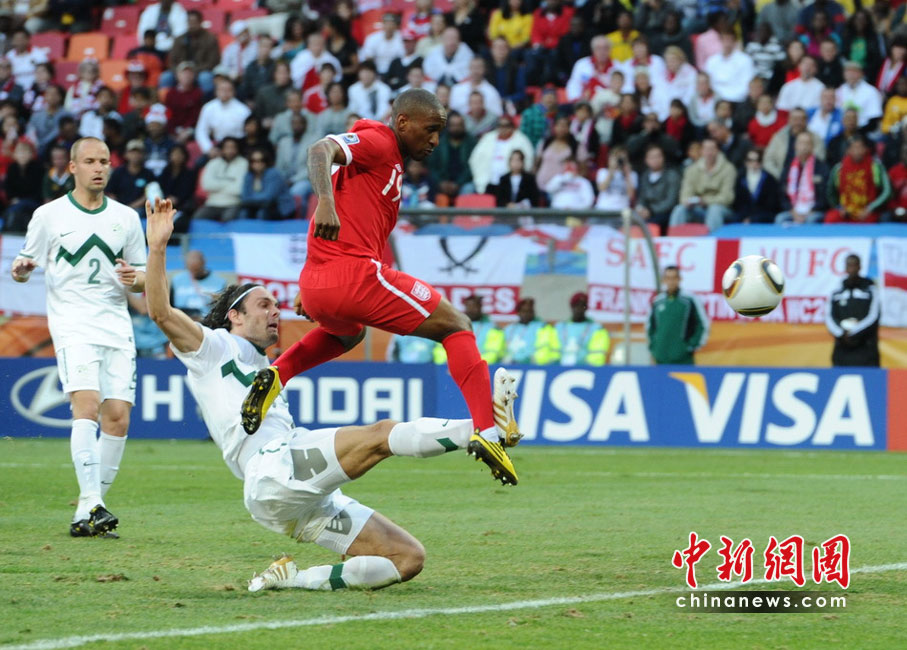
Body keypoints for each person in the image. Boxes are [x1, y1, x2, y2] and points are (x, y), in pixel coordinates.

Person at [142, 198, 500, 593]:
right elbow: (160, 312)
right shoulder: (212, 347)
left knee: (406, 558)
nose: (275, 312)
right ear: (235, 316)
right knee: (380, 435)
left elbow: (347, 334)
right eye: (264, 304)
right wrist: (157, 247)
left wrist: (325, 309)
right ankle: (483, 428)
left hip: (290, 495)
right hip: (272, 467)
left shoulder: (267, 366)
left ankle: (292, 579)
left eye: (276, 305)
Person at [239, 89, 523, 486]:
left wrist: (316, 280)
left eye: (439, 132)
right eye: (430, 129)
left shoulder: (386, 163)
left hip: (319, 279)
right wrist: (324, 202)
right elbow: (319, 150)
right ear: (403, 122)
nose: (435, 140)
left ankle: (277, 374)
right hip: (354, 275)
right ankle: (487, 432)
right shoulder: (379, 141)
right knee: (456, 325)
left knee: (349, 333)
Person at [10, 137, 147, 537]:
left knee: (118, 417)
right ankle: (94, 503)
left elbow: (143, 277)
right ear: (72, 167)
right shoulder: (49, 215)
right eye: (90, 161)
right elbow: (23, 265)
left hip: (116, 325)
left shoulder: (126, 217)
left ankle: (87, 514)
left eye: (104, 161)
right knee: (86, 405)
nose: (98, 168)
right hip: (72, 323)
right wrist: (21, 270)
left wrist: (134, 278)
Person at [669, 137, 736, 232]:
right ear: (701, 151)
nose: (709, 152)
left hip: (721, 208)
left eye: (712, 149)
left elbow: (727, 197)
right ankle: (674, 238)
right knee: (679, 209)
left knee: (714, 210)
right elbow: (684, 194)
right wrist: (689, 202)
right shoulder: (691, 169)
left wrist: (706, 201)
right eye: (706, 149)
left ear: (718, 150)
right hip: (698, 208)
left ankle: (711, 239)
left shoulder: (728, 169)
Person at [826, 254, 880, 367]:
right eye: (849, 266)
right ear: (845, 268)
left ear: (859, 267)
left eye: (854, 265)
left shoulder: (870, 289)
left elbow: (873, 316)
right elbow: (829, 317)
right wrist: (841, 333)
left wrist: (853, 332)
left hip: (866, 349)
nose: (852, 269)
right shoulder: (837, 291)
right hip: (842, 349)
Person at [648, 266, 709, 365]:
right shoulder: (657, 301)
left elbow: (702, 324)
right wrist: (654, 347)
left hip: (684, 359)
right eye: (668, 278)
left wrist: (691, 345)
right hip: (661, 359)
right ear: (664, 280)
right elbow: (650, 327)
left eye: (674, 278)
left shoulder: (689, 301)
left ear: (679, 279)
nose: (671, 282)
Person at [825, 134, 891, 223]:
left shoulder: (876, 166)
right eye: (853, 148)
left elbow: (887, 191)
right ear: (848, 151)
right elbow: (830, 193)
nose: (857, 151)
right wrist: (839, 208)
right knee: (830, 218)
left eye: (860, 147)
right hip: (846, 212)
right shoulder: (838, 169)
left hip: (868, 211)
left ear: (865, 149)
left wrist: (870, 208)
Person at [776, 132, 829, 225]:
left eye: (807, 143)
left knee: (811, 220)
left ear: (812, 146)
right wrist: (792, 211)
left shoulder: (821, 168)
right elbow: (782, 193)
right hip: (793, 210)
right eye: (801, 143)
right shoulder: (788, 167)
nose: (804, 147)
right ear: (795, 146)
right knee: (780, 219)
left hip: (813, 211)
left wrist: (812, 211)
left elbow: (825, 196)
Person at [195, 76, 252, 155]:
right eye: (222, 90)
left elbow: (248, 134)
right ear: (216, 92)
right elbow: (201, 131)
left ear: (234, 92)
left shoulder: (243, 110)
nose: (225, 93)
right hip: (218, 146)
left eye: (228, 90)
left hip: (238, 147)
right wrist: (209, 148)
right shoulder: (208, 108)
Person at [195, 137, 248, 222]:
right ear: (222, 149)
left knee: (227, 220)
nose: (230, 150)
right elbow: (207, 185)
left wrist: (218, 184)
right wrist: (230, 182)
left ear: (237, 149)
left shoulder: (244, 163)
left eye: (233, 147)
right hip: (212, 203)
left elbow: (238, 189)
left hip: (233, 203)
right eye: (227, 147)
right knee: (197, 219)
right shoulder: (213, 163)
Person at [636, 144, 681, 234]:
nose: (655, 160)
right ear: (646, 160)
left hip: (664, 213)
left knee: (649, 225)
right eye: (652, 157)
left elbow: (670, 201)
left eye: (658, 156)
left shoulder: (672, 175)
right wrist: (640, 209)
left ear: (663, 158)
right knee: (630, 222)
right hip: (646, 212)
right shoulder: (645, 176)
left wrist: (651, 210)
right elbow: (641, 198)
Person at [554, 292, 609, 366]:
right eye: (576, 305)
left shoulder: (597, 329)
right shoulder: (560, 327)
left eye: (583, 306)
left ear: (587, 308)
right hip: (558, 368)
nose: (579, 309)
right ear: (571, 306)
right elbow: (553, 355)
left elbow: (596, 359)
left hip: (586, 369)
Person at [170, 250, 226, 321]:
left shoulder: (219, 282)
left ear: (203, 262)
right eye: (190, 269)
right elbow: (171, 305)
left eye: (196, 269)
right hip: (182, 321)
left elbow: (223, 309)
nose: (193, 273)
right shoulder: (177, 280)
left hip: (207, 322)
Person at [503, 297, 559, 365]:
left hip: (533, 365)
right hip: (510, 366)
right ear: (518, 312)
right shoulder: (510, 329)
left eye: (530, 311)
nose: (527, 314)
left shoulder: (541, 327)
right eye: (524, 311)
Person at [106, 139, 155, 215]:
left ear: (143, 155)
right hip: (118, 209)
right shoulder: (118, 172)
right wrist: (119, 207)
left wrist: (129, 208)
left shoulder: (148, 174)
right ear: (126, 154)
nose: (135, 155)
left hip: (139, 210)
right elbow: (110, 192)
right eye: (132, 152)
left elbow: (148, 195)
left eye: (139, 152)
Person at [733, 148, 781, 224]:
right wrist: (745, 217)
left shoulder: (769, 179)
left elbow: (772, 204)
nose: (754, 163)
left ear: (761, 162)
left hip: (763, 216)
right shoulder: (740, 179)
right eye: (750, 160)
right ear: (745, 162)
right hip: (743, 216)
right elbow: (738, 202)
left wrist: (753, 218)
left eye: (757, 160)